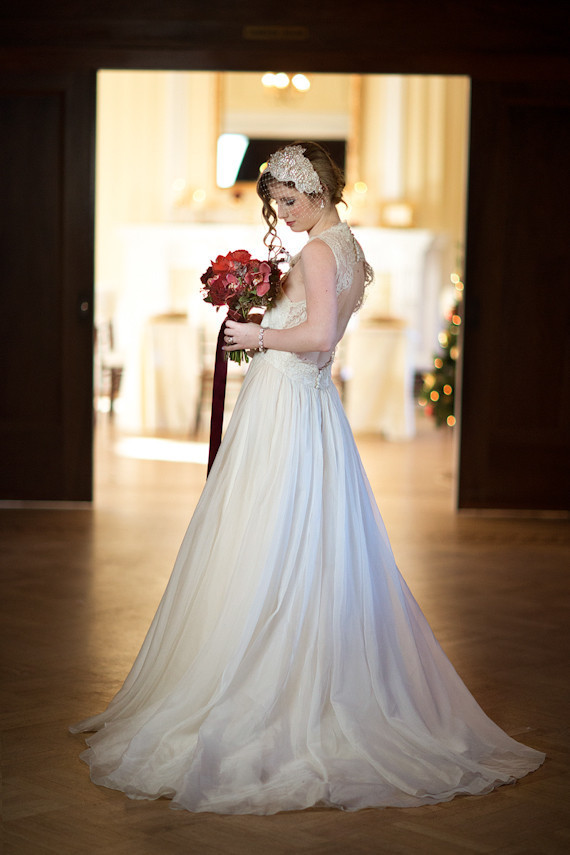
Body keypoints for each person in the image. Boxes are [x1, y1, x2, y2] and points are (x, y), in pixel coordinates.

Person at [70, 142, 544, 815]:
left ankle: (264, 681)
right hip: (309, 407)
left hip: (289, 406)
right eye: (278, 203)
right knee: (305, 541)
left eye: (291, 200)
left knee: (267, 537)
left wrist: (255, 336)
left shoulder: (320, 252)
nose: (284, 213)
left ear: (319, 190)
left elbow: (320, 335)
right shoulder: (347, 247)